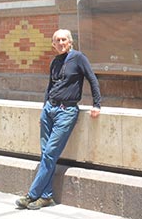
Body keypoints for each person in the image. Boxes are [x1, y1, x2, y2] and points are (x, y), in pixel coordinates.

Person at [16, 29, 101, 210]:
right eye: (57, 40)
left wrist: (97, 104)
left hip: (66, 111)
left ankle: (32, 195)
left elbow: (92, 79)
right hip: (49, 110)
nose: (61, 43)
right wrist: (44, 109)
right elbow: (50, 87)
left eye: (64, 40)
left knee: (49, 153)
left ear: (70, 42)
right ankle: (47, 197)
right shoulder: (55, 61)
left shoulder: (78, 58)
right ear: (53, 44)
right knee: (46, 154)